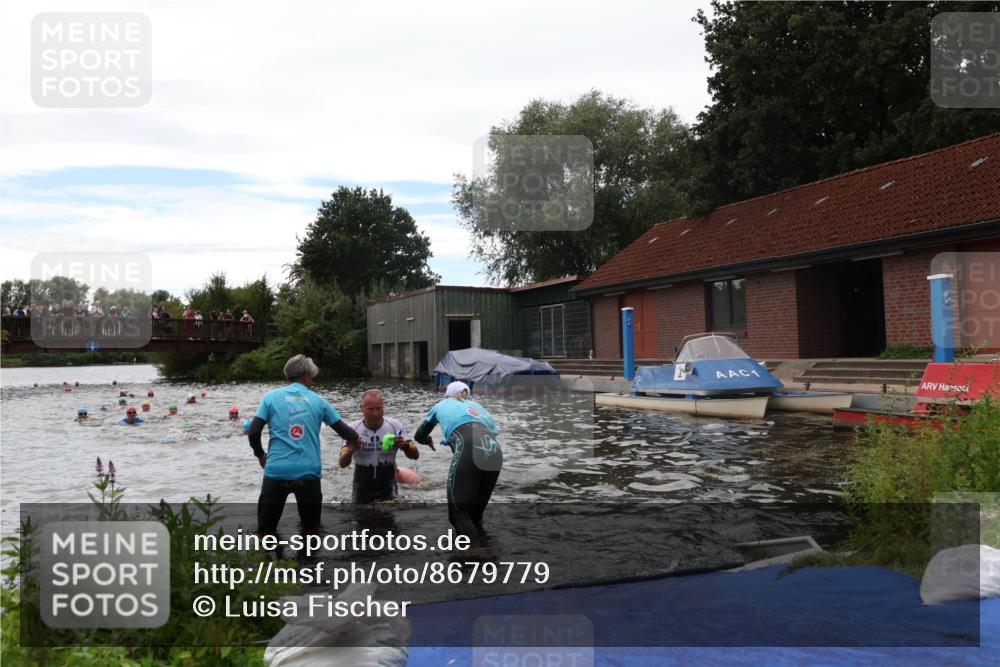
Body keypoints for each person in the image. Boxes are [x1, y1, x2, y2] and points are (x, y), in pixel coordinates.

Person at [247, 354, 361, 536]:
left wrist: (261, 455)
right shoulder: (318, 401)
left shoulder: (270, 398)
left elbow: (253, 432)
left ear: (287, 377)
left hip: (276, 471)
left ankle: (269, 561)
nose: (313, 381)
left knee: (265, 531)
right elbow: (345, 432)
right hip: (308, 473)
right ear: (307, 376)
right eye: (312, 377)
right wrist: (356, 440)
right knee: (311, 530)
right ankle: (309, 562)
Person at [413, 381, 502, 540]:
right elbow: (490, 434)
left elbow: (418, 436)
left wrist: (427, 440)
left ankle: (476, 555)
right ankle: (486, 554)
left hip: (468, 447)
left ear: (447, 395)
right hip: (495, 451)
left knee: (458, 516)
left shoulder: (441, 404)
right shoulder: (478, 407)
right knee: (475, 516)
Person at [339, 389, 418, 504]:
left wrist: (405, 446)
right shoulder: (352, 429)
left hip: (388, 487)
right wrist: (350, 450)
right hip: (362, 488)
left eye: (379, 408)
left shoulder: (395, 426)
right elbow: (342, 464)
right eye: (370, 409)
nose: (375, 413)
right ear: (362, 408)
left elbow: (415, 455)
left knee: (389, 519)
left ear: (383, 407)